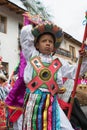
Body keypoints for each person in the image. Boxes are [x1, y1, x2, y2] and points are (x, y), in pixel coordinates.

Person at [20, 21, 87, 130]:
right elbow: (25, 39)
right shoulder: (32, 55)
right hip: (33, 100)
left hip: (52, 102)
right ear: (37, 44)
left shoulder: (58, 62)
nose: (48, 43)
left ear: (54, 46)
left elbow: (76, 72)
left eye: (50, 41)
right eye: (44, 41)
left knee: (67, 127)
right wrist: (33, 25)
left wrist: (83, 59)